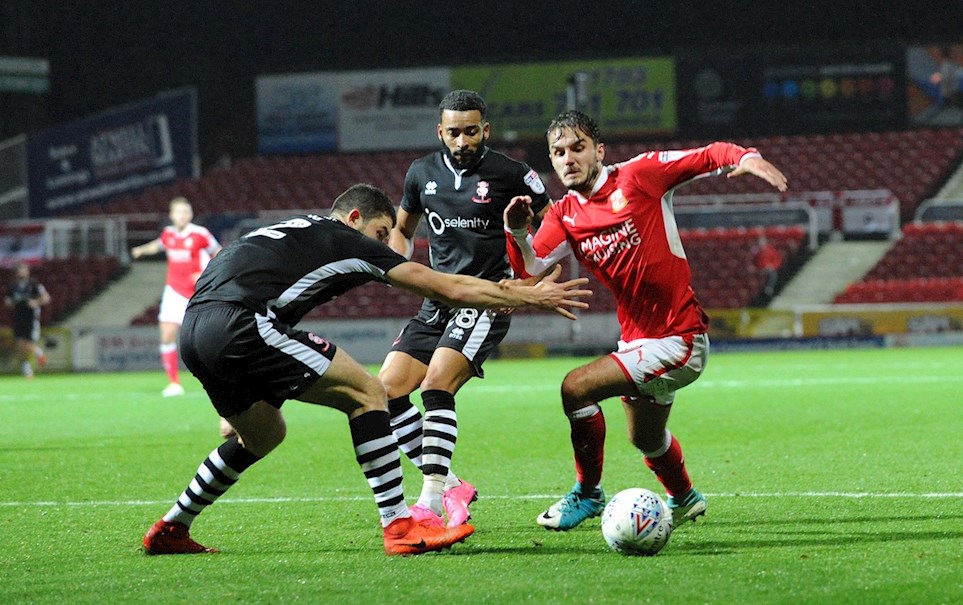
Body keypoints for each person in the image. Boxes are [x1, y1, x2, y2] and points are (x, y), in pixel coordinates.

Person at [142, 183, 590, 556]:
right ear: (354, 218)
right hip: (240, 323)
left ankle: (172, 527)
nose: (383, 245)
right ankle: (399, 527)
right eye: (380, 233)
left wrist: (239, 383)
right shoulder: (347, 240)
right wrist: (525, 295)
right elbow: (447, 287)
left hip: (196, 329)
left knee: (263, 435)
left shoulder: (291, 233)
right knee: (369, 393)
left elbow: (241, 285)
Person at [504, 111, 788, 531]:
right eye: (559, 152)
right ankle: (685, 498)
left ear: (599, 151)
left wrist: (745, 157)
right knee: (646, 438)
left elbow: (708, 155)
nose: (568, 159)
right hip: (637, 341)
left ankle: (587, 493)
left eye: (578, 148)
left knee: (575, 388)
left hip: (679, 338)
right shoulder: (564, 214)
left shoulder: (638, 176)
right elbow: (530, 272)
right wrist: (517, 233)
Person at [378, 90, 553, 528]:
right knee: (386, 391)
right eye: (454, 133)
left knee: (436, 385)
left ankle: (430, 502)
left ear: (485, 130)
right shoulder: (421, 173)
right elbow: (402, 230)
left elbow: (557, 231)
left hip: (484, 300)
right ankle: (453, 485)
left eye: (471, 132)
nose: (462, 141)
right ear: (440, 131)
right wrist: (397, 266)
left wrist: (525, 287)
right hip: (437, 299)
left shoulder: (512, 174)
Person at [130, 197, 222, 397]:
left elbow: (220, 255)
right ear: (172, 215)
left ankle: (219, 377)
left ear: (191, 214)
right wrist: (141, 250)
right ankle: (174, 383)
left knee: (205, 340)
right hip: (173, 291)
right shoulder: (168, 234)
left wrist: (206, 275)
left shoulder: (200, 234)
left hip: (197, 293)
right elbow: (158, 245)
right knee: (167, 335)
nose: (182, 216)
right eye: (178, 212)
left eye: (186, 212)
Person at [4, 263, 51, 378]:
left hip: (31, 318)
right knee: (20, 344)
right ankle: (26, 367)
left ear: (27, 271)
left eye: (23, 269)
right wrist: (9, 302)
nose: (21, 271)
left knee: (28, 342)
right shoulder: (13, 286)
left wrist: (36, 302)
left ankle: (39, 353)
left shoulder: (34, 284)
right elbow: (7, 300)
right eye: (19, 269)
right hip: (18, 317)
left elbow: (46, 298)